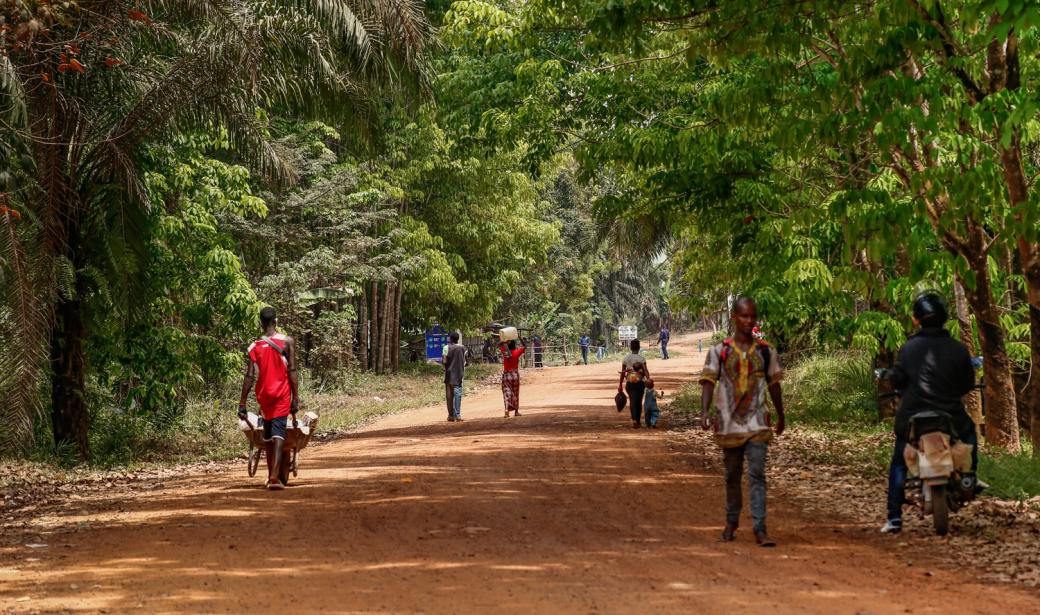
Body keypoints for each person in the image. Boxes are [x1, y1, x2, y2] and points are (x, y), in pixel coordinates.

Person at [878, 292, 978, 534]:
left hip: (912, 415)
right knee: (970, 434)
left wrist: (894, 380)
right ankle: (969, 478)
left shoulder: (908, 349)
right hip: (951, 414)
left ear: (916, 319)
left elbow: (898, 379)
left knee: (900, 459)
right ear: (945, 317)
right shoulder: (958, 349)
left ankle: (894, 518)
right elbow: (967, 384)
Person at [699, 297, 784, 546]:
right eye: (744, 316)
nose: (749, 321)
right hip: (728, 425)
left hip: (758, 423)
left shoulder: (766, 351)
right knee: (732, 475)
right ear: (734, 318)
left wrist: (781, 414)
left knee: (757, 474)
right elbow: (708, 381)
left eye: (752, 316)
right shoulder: (719, 351)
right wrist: (704, 411)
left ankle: (760, 527)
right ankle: (732, 521)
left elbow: (774, 385)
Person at [238, 307, 299, 491]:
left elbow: (249, 377)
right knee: (278, 433)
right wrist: (295, 398)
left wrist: (242, 403)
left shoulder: (254, 346)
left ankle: (272, 474)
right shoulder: (287, 342)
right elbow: (292, 371)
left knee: (268, 435)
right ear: (276, 321)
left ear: (261, 323)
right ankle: (274, 477)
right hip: (281, 394)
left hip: (263, 396)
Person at [617, 339, 650, 428]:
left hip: (630, 383)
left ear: (630, 348)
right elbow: (645, 370)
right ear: (639, 348)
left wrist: (620, 384)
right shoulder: (641, 359)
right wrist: (648, 380)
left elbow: (623, 372)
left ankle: (634, 420)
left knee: (632, 401)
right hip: (640, 384)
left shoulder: (626, 358)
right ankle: (638, 420)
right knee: (638, 402)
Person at [500, 337, 527, 417]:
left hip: (507, 375)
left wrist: (505, 341)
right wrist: (520, 338)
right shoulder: (517, 352)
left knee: (506, 392)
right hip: (515, 375)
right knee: (515, 393)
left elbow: (499, 344)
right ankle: (516, 412)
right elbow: (525, 346)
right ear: (515, 345)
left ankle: (506, 410)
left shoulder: (505, 352)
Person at [443, 332, 466, 423]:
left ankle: (451, 416)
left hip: (449, 375)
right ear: (457, 339)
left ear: (450, 339)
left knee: (449, 396)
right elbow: (466, 361)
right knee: (457, 395)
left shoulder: (446, 347)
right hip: (459, 375)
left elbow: (444, 361)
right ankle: (458, 415)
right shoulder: (463, 348)